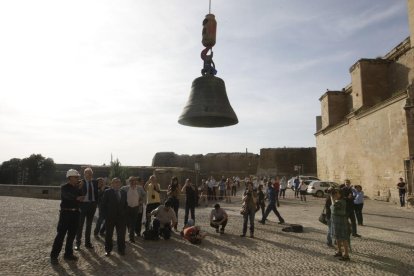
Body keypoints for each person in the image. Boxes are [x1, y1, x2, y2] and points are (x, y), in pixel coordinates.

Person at [50, 169, 84, 265]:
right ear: (70, 178)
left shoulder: (78, 187)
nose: (78, 179)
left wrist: (79, 191)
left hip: (75, 213)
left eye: (78, 177)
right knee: (60, 235)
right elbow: (69, 196)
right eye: (76, 177)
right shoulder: (64, 187)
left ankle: (68, 254)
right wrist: (77, 197)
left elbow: (81, 198)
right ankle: (54, 256)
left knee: (72, 235)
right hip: (66, 213)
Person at [101, 178, 128, 256]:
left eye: (118, 182)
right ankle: (108, 250)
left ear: (120, 184)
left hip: (121, 218)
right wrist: (105, 216)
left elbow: (125, 204)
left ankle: (121, 249)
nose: (117, 184)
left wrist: (125, 213)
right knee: (109, 234)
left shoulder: (124, 192)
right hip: (110, 217)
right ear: (112, 184)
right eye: (115, 182)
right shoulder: (107, 192)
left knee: (121, 235)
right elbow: (103, 205)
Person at [75, 167, 98, 250]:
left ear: (92, 174)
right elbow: (75, 194)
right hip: (83, 206)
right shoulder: (80, 182)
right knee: (80, 225)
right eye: (87, 173)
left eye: (90, 173)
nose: (89, 175)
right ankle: (78, 243)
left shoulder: (95, 182)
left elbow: (98, 192)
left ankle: (87, 243)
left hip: (92, 205)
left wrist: (96, 203)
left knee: (89, 225)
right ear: (84, 174)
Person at [121, 176, 144, 243]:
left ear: (136, 181)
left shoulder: (140, 188)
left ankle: (131, 238)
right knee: (127, 222)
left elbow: (144, 195)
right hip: (127, 207)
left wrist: (141, 200)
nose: (132, 182)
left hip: (136, 207)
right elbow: (119, 193)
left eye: (133, 180)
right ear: (129, 181)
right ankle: (127, 234)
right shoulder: (124, 188)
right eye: (131, 180)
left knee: (133, 223)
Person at [330, 189, 351, 261]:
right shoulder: (337, 201)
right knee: (337, 237)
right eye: (334, 193)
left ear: (341, 194)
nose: (335, 194)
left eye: (337, 193)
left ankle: (346, 255)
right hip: (335, 222)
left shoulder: (342, 201)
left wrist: (332, 199)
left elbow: (334, 209)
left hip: (341, 222)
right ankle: (339, 251)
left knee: (343, 238)